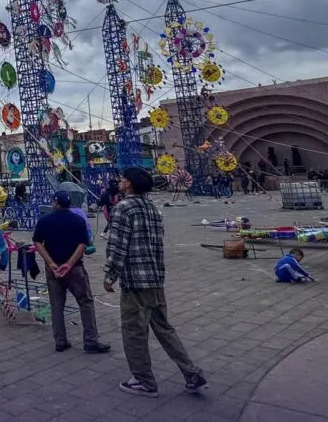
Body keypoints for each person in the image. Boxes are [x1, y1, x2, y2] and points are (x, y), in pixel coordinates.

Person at [104, 167, 207, 397]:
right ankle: (191, 373)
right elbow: (159, 245)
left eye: (122, 179)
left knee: (134, 332)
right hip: (155, 280)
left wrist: (110, 275)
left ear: (129, 184)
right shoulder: (153, 209)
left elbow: (118, 245)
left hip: (135, 283)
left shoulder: (122, 208)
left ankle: (144, 381)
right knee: (164, 328)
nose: (120, 182)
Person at [32, 191, 111, 354]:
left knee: (57, 305)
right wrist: (69, 264)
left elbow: (37, 242)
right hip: (75, 269)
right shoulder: (78, 220)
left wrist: (51, 263)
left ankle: (60, 341)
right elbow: (83, 244)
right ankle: (90, 341)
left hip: (53, 270)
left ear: (55, 203)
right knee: (86, 303)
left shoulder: (45, 220)